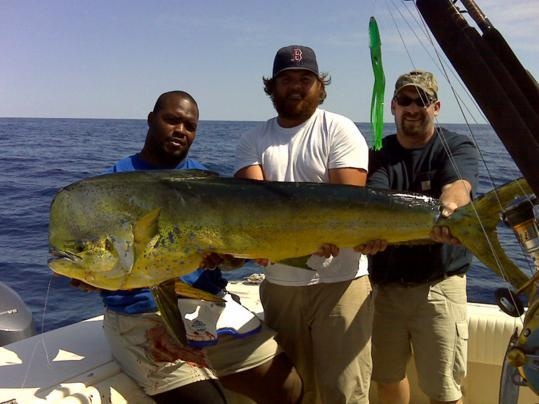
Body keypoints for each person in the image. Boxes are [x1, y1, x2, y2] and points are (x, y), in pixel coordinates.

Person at [78, 90, 302, 404]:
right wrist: (84, 277)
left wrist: (227, 259)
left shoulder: (206, 184)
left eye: (190, 125)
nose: (181, 130)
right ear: (151, 119)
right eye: (172, 120)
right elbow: (87, 260)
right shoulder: (112, 186)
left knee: (287, 386)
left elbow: (232, 259)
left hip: (207, 308)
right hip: (145, 316)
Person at [234, 45, 373, 404]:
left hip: (341, 285)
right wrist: (262, 243)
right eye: (286, 80)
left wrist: (302, 237)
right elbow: (256, 210)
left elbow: (348, 205)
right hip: (281, 286)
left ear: (320, 87)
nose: (296, 86)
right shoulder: (253, 140)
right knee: (296, 392)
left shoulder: (339, 129)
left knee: (345, 393)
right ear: (272, 87)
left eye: (305, 79)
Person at [357, 70, 479, 404]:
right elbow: (375, 202)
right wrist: (369, 233)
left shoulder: (455, 145)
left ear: (436, 107)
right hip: (386, 289)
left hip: (438, 287)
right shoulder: (378, 154)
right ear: (393, 106)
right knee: (387, 378)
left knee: (443, 390)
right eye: (405, 101)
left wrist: (450, 208)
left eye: (421, 101)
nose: (413, 108)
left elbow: (458, 185)